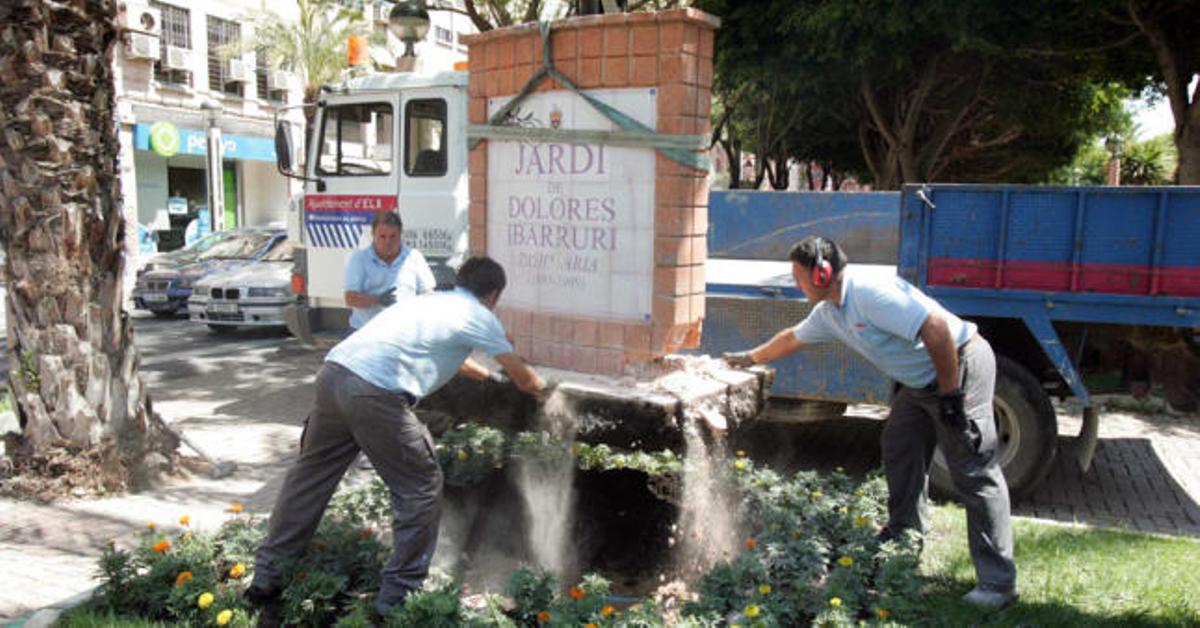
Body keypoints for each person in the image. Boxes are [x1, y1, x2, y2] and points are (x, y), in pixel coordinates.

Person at [247, 256, 549, 621]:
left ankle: (267, 576)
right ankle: (397, 598)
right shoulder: (479, 315)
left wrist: (485, 376)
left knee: (309, 478)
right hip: (374, 393)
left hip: (334, 374)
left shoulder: (431, 302)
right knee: (421, 484)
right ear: (494, 295)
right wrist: (548, 392)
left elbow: (449, 355)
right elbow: (525, 379)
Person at [723, 236, 1017, 609]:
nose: (796, 285)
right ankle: (903, 541)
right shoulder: (830, 313)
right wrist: (748, 358)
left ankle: (998, 584)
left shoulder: (868, 294)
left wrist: (949, 395)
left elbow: (937, 328)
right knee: (899, 446)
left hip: (958, 365)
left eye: (798, 277)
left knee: (972, 466)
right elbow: (791, 338)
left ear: (821, 273)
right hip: (920, 384)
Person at [344, 211, 436, 330]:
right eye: (382, 236)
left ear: (400, 235)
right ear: (373, 235)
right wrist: (377, 300)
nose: (388, 242)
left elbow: (428, 294)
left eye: (393, 236)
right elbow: (350, 298)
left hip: (404, 331)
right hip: (367, 331)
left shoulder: (414, 257)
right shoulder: (360, 259)